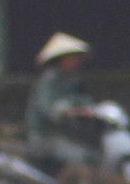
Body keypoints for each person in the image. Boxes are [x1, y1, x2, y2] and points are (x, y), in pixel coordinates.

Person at [26, 33, 98, 169]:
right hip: (45, 138)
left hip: (66, 137)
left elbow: (83, 100)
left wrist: (90, 110)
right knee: (81, 157)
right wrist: (67, 111)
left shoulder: (73, 81)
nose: (76, 61)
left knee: (94, 156)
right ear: (62, 59)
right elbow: (48, 109)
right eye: (72, 58)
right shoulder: (49, 81)